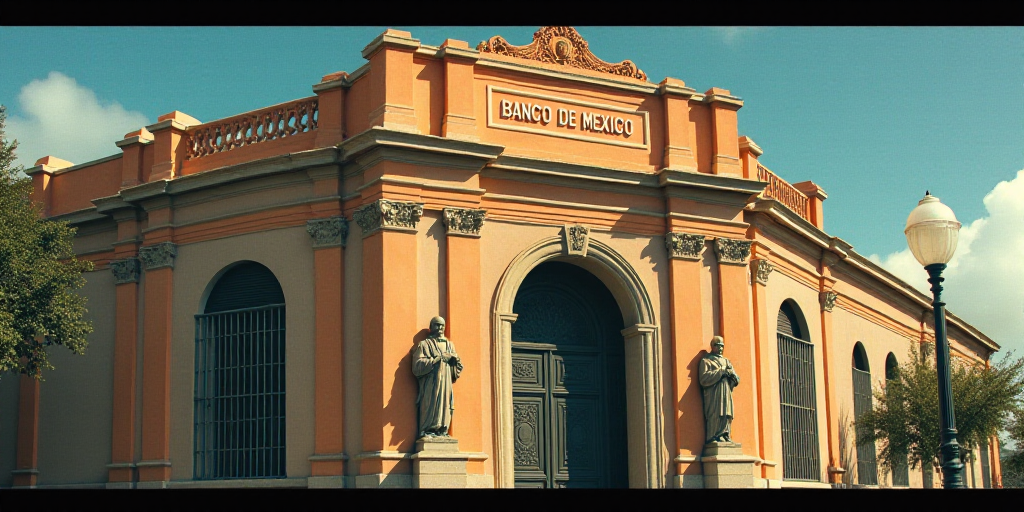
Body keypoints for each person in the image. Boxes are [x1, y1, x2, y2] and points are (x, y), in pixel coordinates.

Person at [412, 316, 463, 438]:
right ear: (431, 327)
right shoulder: (424, 345)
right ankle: (428, 429)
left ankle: (442, 430)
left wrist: (455, 360)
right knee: (431, 403)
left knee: (445, 404)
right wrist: (437, 359)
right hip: (431, 383)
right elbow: (417, 365)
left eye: (442, 325)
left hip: (446, 382)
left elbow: (458, 368)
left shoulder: (450, 345)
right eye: (437, 325)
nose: (440, 328)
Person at [699, 336, 739, 444]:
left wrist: (734, 377)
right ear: (712, 346)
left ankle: (726, 434)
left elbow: (736, 377)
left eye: (722, 346)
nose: (721, 348)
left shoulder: (726, 361)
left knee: (727, 413)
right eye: (718, 346)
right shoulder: (706, 361)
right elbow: (703, 378)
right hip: (714, 394)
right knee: (716, 413)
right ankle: (714, 436)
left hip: (726, 391)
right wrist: (721, 371)